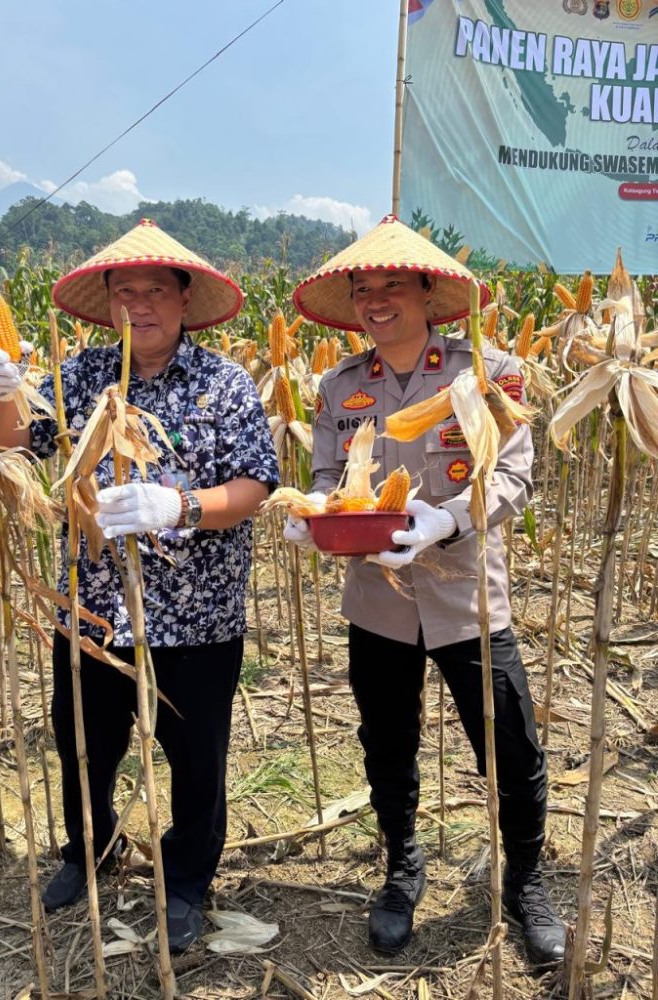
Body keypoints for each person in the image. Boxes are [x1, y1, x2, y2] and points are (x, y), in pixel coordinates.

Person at [0, 218, 279, 952]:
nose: (138, 305)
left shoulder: (225, 384)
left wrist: (181, 506)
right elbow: (10, 445)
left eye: (153, 291)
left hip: (198, 619)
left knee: (196, 758)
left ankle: (184, 879)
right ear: (109, 304)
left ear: (183, 299)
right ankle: (92, 847)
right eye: (124, 293)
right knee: (85, 744)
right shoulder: (79, 377)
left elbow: (255, 484)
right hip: (94, 611)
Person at [285, 214, 566, 966]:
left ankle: (526, 884)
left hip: (468, 592)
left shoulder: (491, 373)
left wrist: (445, 519)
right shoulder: (338, 385)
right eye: (364, 289)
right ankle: (402, 866)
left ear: (428, 293)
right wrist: (312, 514)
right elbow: (324, 477)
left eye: (392, 286)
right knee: (387, 741)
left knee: (509, 743)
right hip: (375, 598)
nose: (376, 300)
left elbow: (513, 474)